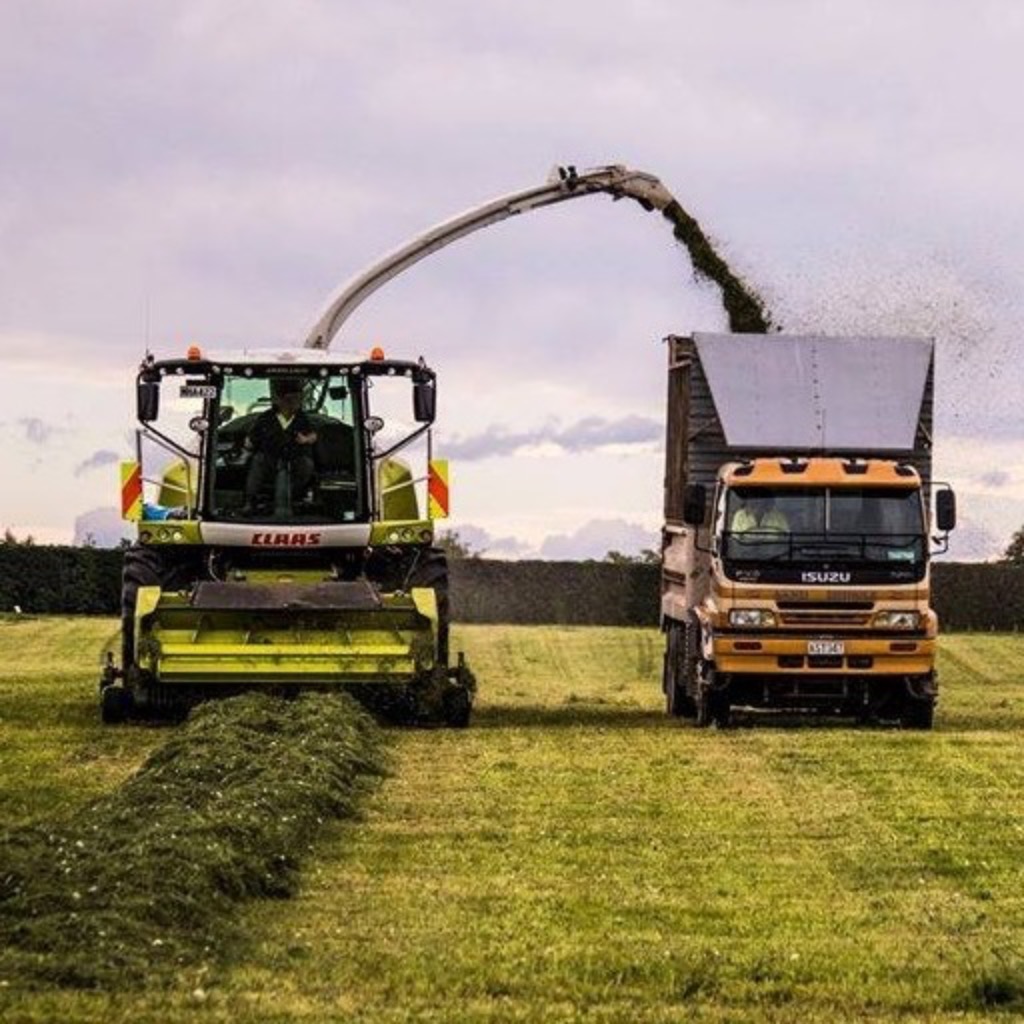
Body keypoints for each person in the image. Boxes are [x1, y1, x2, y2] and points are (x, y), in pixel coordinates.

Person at [243, 378, 318, 510]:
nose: (294, 403)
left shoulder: (302, 417)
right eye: (290, 399)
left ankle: (298, 497)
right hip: (269, 459)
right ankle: (250, 501)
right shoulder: (265, 418)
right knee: (258, 460)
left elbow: (313, 435)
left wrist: (305, 439)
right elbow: (250, 441)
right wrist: (248, 446)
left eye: (297, 399)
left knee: (307, 464)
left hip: (295, 459)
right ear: (280, 400)